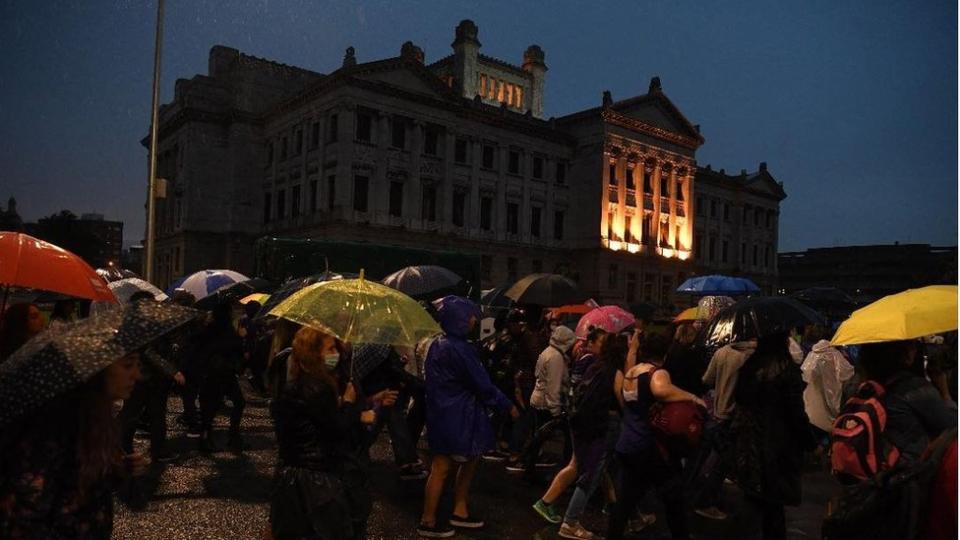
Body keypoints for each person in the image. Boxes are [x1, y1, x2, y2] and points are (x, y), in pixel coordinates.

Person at [0, 352, 148, 537]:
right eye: (127, 366)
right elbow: (28, 510)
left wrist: (119, 468)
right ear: (96, 370)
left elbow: (87, 482)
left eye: (137, 365)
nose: (137, 375)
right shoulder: (56, 424)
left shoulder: (95, 416)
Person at [269, 326, 392, 540]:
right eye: (330, 349)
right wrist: (349, 405)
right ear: (313, 353)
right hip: (317, 479)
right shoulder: (318, 388)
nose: (335, 354)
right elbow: (338, 429)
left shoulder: (298, 383)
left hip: (293, 479)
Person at [418, 296, 519, 538]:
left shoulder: (438, 344)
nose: (475, 320)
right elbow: (482, 385)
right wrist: (508, 406)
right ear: (461, 319)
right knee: (443, 465)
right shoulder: (460, 349)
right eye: (470, 316)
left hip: (443, 412)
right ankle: (429, 521)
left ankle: (458, 511)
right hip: (458, 415)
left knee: (466, 460)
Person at [607, 332, 704, 540]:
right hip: (649, 446)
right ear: (665, 353)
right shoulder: (657, 373)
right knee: (673, 496)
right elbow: (661, 391)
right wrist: (693, 397)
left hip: (627, 443)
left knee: (625, 502)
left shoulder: (632, 372)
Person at [730, 333, 812, 540]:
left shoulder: (749, 367)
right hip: (778, 447)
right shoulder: (787, 369)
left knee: (752, 502)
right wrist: (811, 442)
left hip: (749, 444)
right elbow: (796, 414)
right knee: (774, 508)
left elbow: (739, 399)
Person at [532, 328, 613, 539]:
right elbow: (558, 385)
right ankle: (570, 520)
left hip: (577, 419)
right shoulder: (592, 363)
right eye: (603, 341)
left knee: (581, 465)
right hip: (585, 422)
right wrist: (556, 410)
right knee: (589, 468)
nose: (606, 345)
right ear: (592, 342)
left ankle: (546, 502)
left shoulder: (581, 359)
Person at [857, 340, 956, 464]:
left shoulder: (859, 386)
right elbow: (951, 425)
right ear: (902, 354)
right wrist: (945, 392)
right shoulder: (916, 389)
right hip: (909, 474)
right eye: (912, 346)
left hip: (869, 467)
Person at [694, 338, 757, 520]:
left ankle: (701, 494)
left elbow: (707, 379)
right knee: (723, 461)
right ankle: (705, 501)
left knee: (713, 456)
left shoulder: (722, 352)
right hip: (737, 416)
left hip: (718, 412)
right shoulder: (751, 357)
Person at [192, 302, 246, 452]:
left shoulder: (207, 329)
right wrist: (241, 337)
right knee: (237, 403)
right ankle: (232, 437)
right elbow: (235, 350)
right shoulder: (227, 331)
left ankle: (207, 439)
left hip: (210, 374)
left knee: (209, 408)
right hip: (223, 373)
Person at [800, 332, 854, 440]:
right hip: (829, 418)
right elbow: (846, 376)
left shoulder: (811, 356)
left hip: (810, 413)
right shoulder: (835, 356)